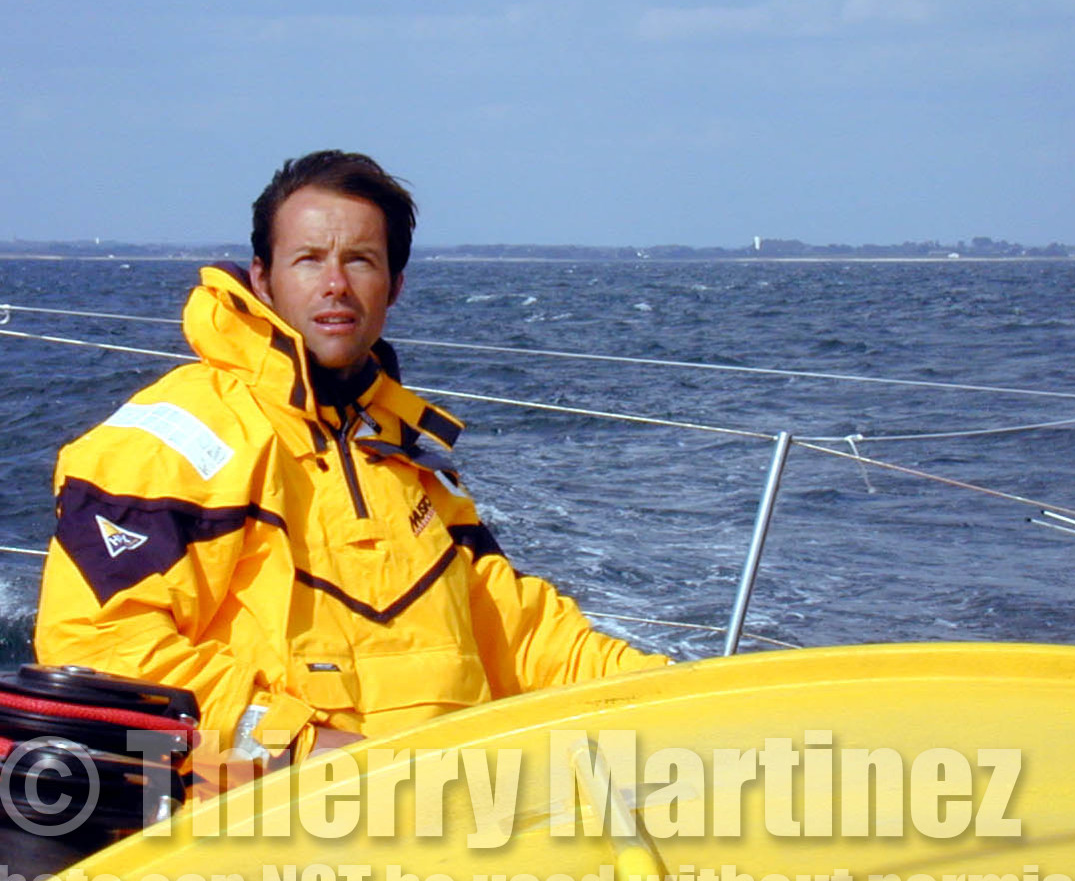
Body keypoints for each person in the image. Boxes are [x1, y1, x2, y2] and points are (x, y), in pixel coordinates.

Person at [34, 150, 666, 766]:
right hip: (256, 831)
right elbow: (96, 646)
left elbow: (520, 635)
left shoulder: (402, 456)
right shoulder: (172, 439)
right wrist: (295, 745)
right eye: (309, 260)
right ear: (263, 278)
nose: (335, 285)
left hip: (446, 817)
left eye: (359, 260)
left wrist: (669, 693)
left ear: (393, 286)